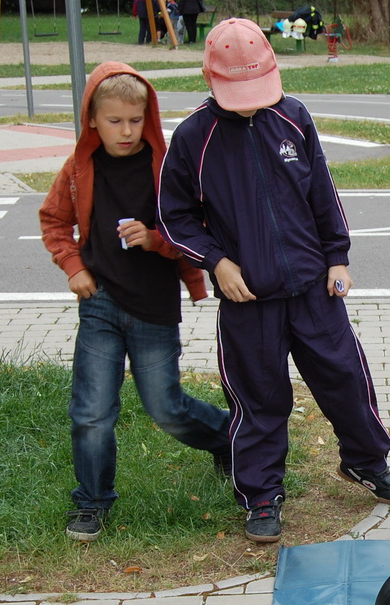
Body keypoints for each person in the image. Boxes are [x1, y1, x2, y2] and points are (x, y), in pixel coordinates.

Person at [157, 19, 390, 543]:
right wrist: (216, 262)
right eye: (237, 94)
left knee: (345, 378)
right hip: (248, 299)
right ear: (211, 80)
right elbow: (173, 216)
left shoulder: (294, 117)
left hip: (315, 289)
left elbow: (323, 190)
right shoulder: (192, 138)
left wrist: (337, 257)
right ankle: (262, 495)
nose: (249, 104)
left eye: (257, 92)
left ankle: (366, 461)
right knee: (259, 399)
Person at [38, 62, 231, 542]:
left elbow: (192, 229)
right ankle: (92, 503)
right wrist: (74, 268)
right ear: (92, 121)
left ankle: (229, 437)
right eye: (114, 121)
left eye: (134, 120)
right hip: (100, 304)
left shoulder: (164, 168)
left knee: (165, 408)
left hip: (154, 308)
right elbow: (53, 221)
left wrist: (155, 238)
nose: (125, 131)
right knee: (91, 412)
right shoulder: (80, 169)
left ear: (147, 117)